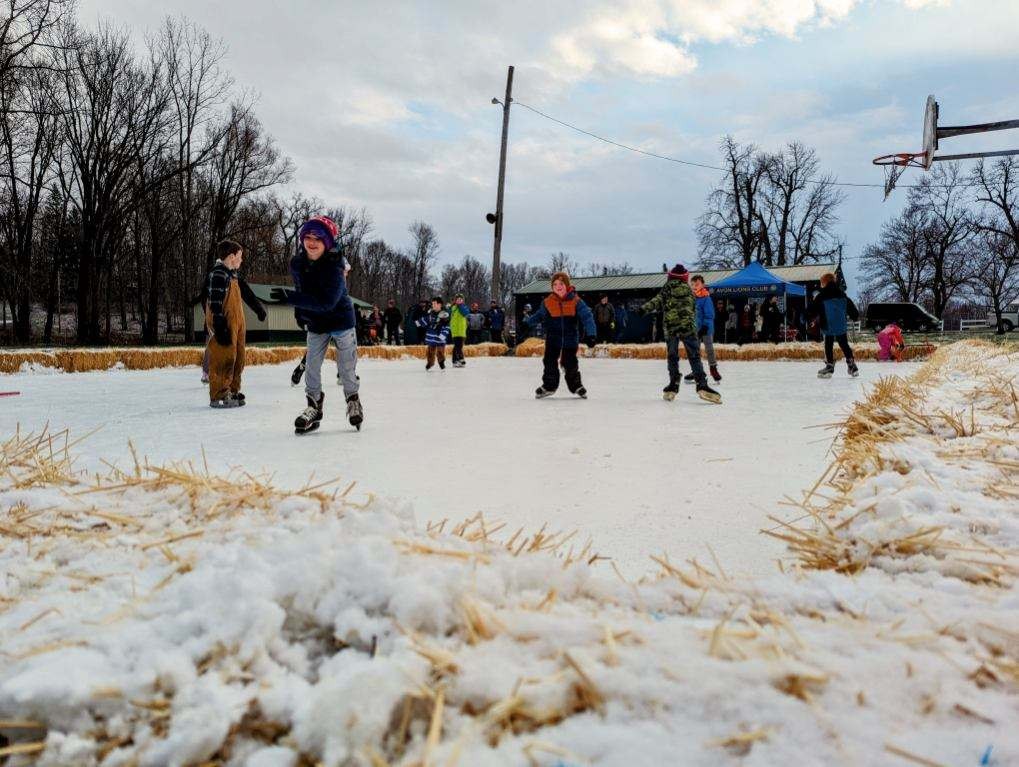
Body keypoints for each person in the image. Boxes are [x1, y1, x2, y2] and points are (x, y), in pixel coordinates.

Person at [270, 215, 363, 434]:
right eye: (307, 237)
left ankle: (353, 400)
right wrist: (300, 314)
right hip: (316, 321)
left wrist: (291, 299)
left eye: (318, 238)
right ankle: (314, 406)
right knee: (311, 366)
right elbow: (302, 289)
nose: (311, 242)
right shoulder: (298, 263)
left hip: (340, 319)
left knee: (346, 367)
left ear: (327, 243)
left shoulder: (335, 268)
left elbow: (327, 303)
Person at [638, 263, 721, 404]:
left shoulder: (668, 287)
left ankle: (674, 382)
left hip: (671, 328)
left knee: (672, 356)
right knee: (694, 356)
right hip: (689, 328)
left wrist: (642, 309)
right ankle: (701, 383)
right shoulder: (689, 290)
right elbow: (693, 309)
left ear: (670, 277)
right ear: (685, 278)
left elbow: (657, 301)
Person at [204, 240, 266, 408]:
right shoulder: (218, 273)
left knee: (238, 356)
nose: (241, 260)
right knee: (224, 357)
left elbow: (246, 292)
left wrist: (258, 309)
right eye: (240, 256)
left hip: (237, 322)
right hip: (224, 322)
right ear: (231, 257)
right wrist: (219, 323)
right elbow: (215, 301)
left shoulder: (233, 274)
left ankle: (232, 390)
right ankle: (218, 394)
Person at [523, 271, 596, 399]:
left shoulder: (576, 301)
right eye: (555, 284)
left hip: (570, 339)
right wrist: (527, 324)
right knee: (549, 362)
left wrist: (591, 334)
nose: (558, 286)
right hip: (553, 339)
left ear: (567, 285)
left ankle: (576, 386)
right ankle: (549, 386)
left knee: (570, 363)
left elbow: (587, 317)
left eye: (561, 283)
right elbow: (539, 316)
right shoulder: (548, 302)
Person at [808, 272, 860, 378]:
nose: (821, 284)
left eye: (821, 282)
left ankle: (829, 366)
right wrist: (854, 316)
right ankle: (852, 365)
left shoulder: (821, 295)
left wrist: (806, 317)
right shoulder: (842, 294)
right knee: (844, 344)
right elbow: (853, 310)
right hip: (840, 324)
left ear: (825, 282)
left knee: (828, 343)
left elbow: (812, 310)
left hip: (828, 324)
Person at [683, 275, 721, 384]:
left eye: (697, 284)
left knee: (709, 349)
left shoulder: (706, 297)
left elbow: (710, 315)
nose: (695, 286)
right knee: (695, 351)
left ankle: (713, 369)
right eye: (693, 284)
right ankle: (697, 372)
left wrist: (704, 327)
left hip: (705, 329)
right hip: (694, 329)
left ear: (702, 285)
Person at [417, 296, 450, 370]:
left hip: (440, 338)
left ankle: (441, 362)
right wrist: (418, 322)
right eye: (432, 304)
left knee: (440, 352)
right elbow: (426, 319)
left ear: (440, 305)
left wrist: (443, 335)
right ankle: (430, 363)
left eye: (435, 304)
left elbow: (447, 326)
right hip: (431, 336)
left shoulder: (444, 315)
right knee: (430, 351)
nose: (433, 305)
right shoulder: (431, 314)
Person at [449, 293, 470, 366]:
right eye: (457, 299)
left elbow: (465, 313)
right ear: (455, 300)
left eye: (460, 299)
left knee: (459, 346)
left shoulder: (464, 307)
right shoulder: (452, 308)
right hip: (455, 330)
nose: (459, 301)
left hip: (462, 330)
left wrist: (460, 306)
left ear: (463, 300)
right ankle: (460, 358)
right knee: (457, 345)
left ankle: (455, 360)